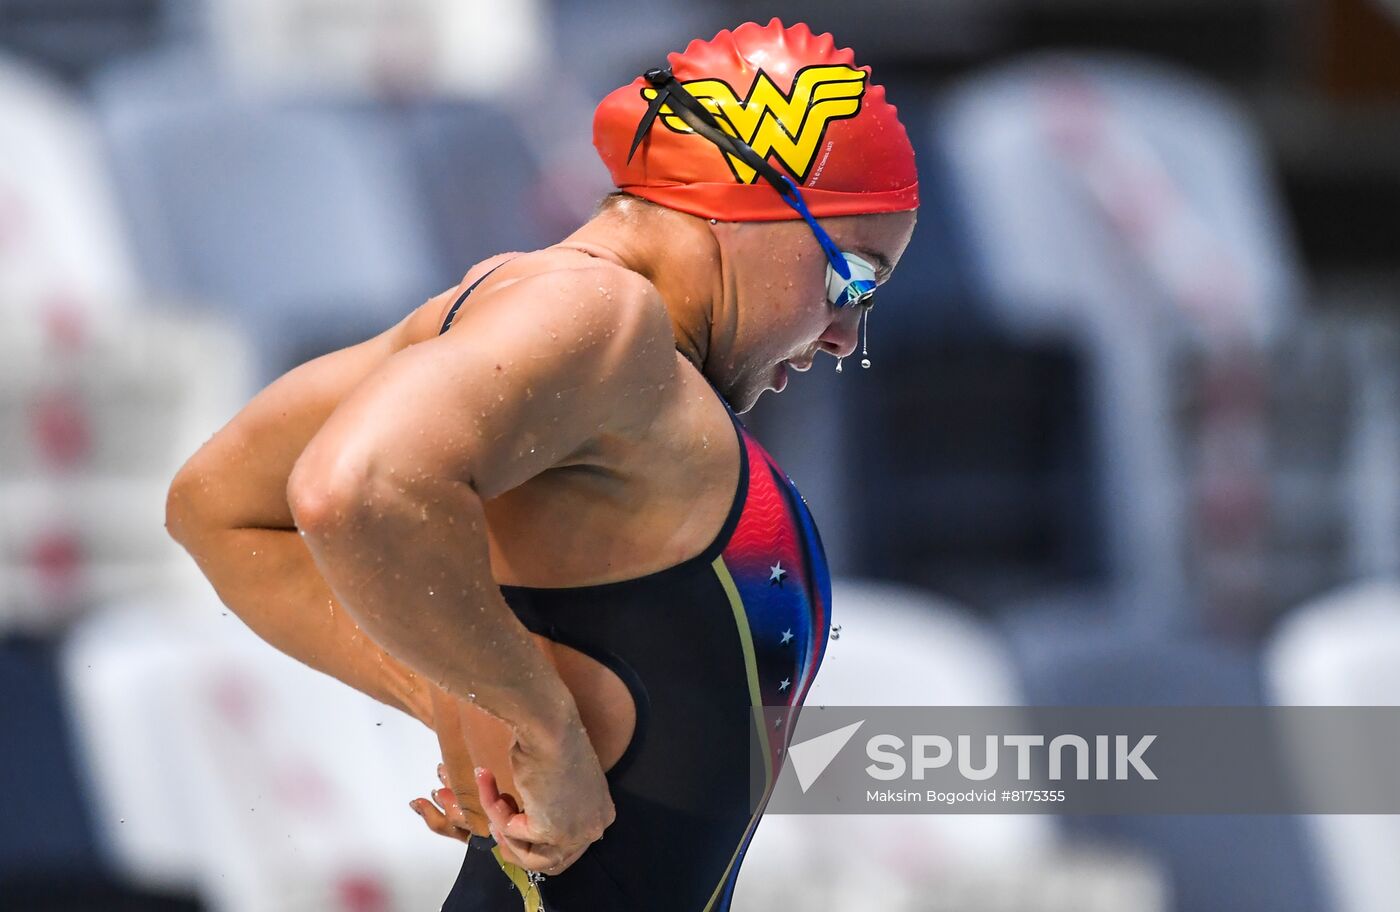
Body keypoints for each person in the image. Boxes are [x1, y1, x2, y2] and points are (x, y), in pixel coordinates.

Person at [164, 17, 917, 911]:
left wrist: (468, 692)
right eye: (854, 281)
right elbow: (349, 486)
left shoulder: (543, 316)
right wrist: (536, 723)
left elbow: (216, 501)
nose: (845, 335)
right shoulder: (597, 314)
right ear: (751, 208)